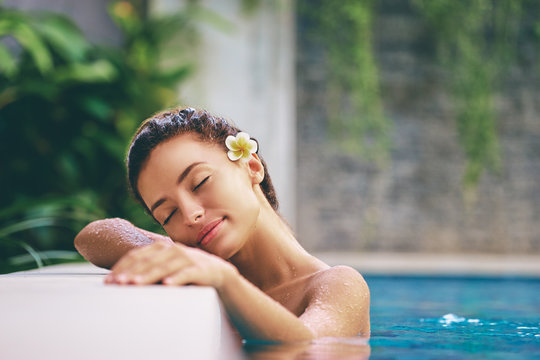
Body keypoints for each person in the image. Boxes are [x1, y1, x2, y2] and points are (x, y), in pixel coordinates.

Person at [75, 107, 370, 342]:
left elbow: (308, 347)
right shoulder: (204, 270)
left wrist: (225, 279)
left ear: (252, 167)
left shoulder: (338, 286)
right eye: (168, 215)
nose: (190, 215)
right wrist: (184, 258)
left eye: (200, 182)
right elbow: (92, 236)